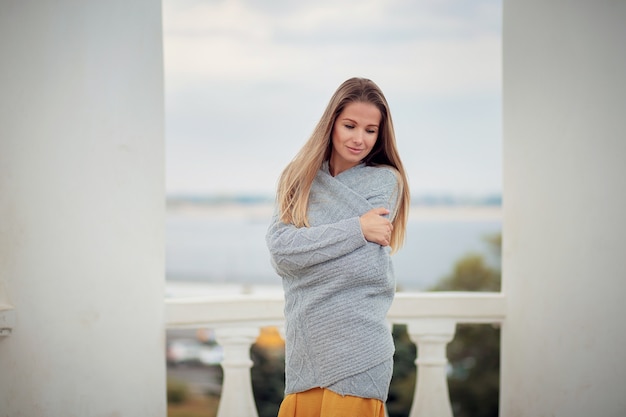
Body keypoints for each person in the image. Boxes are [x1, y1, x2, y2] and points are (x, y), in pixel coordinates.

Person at [266, 77, 410, 417]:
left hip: (358, 356)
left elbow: (363, 267)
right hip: (305, 356)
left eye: (371, 130)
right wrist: (357, 228)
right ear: (331, 123)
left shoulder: (385, 181)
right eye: (350, 125)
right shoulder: (297, 179)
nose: (360, 138)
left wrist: (308, 255)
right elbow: (281, 251)